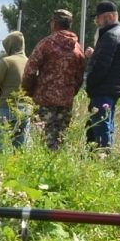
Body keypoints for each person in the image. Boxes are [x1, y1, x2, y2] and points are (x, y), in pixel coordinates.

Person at [20, 10, 86, 150]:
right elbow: (79, 77)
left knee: (41, 140)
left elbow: (29, 71)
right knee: (60, 141)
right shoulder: (78, 49)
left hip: (44, 100)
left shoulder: (46, 44)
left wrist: (28, 92)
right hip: (65, 102)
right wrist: (69, 93)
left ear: (54, 24)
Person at [82, 1, 120, 149]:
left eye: (99, 17)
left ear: (109, 17)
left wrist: (90, 84)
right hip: (111, 89)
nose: (96, 21)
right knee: (106, 125)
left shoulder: (110, 36)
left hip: (103, 90)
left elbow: (102, 67)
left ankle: (103, 157)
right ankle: (103, 157)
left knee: (101, 127)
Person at [0, 30, 28, 152]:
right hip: (26, 109)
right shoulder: (30, 61)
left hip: (7, 108)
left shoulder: (6, 61)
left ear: (10, 45)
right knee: (20, 149)